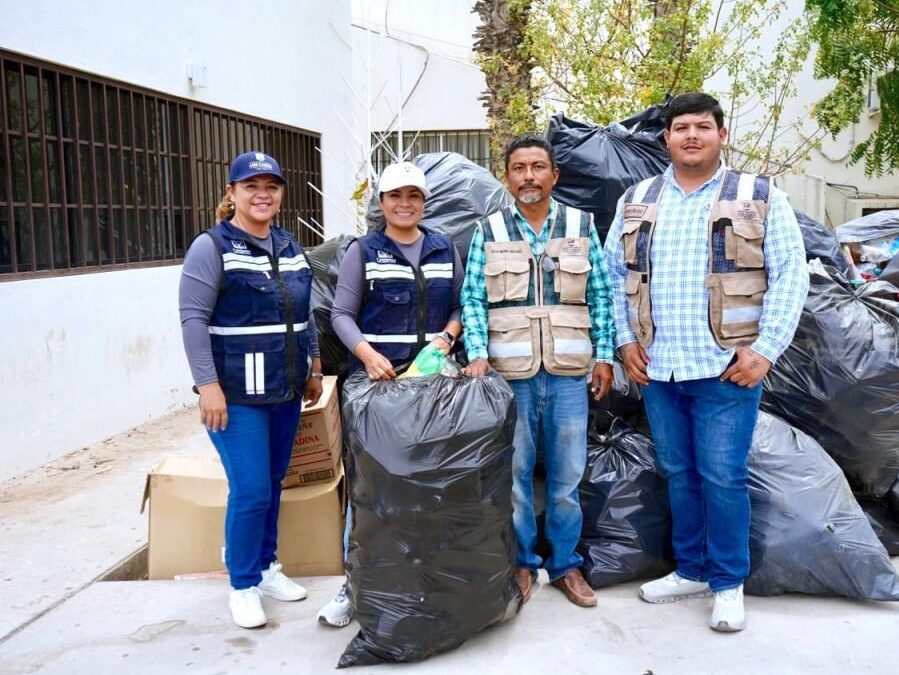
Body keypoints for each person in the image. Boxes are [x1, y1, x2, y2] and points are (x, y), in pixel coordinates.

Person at [604, 92, 808, 632]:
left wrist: (765, 350)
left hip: (725, 367)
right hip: (660, 368)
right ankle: (691, 569)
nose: (691, 135)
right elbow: (610, 278)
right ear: (665, 138)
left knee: (723, 476)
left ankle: (726, 582)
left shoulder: (758, 196)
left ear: (721, 134)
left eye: (702, 126)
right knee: (677, 472)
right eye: (680, 128)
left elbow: (791, 273)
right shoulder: (638, 199)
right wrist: (625, 344)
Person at [461, 135, 614, 608]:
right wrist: (477, 353)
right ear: (507, 177)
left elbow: (602, 295)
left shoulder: (580, 225)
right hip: (511, 374)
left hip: (569, 373)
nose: (529, 177)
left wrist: (604, 355)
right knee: (516, 476)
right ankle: (524, 563)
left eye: (538, 167)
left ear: (554, 175)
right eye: (519, 168)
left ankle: (566, 565)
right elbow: (472, 299)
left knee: (568, 479)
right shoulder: (488, 230)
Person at [179, 151, 323, 629]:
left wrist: (315, 366)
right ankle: (242, 583)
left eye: (272, 186)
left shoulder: (289, 245)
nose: (263, 194)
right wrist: (207, 386)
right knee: (251, 489)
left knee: (272, 485)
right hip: (236, 396)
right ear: (232, 192)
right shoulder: (212, 246)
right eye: (251, 186)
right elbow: (193, 319)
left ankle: (265, 567)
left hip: (284, 389)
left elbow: (306, 312)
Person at [317, 160, 464, 627]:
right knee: (371, 486)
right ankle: (353, 586)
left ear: (424, 202)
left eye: (414, 196)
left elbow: (461, 305)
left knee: (431, 483)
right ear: (381, 203)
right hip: (379, 384)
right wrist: (366, 354)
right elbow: (342, 313)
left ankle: (428, 579)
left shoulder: (444, 248)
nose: (405, 205)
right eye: (395, 196)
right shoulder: (365, 250)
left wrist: (449, 337)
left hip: (432, 382)